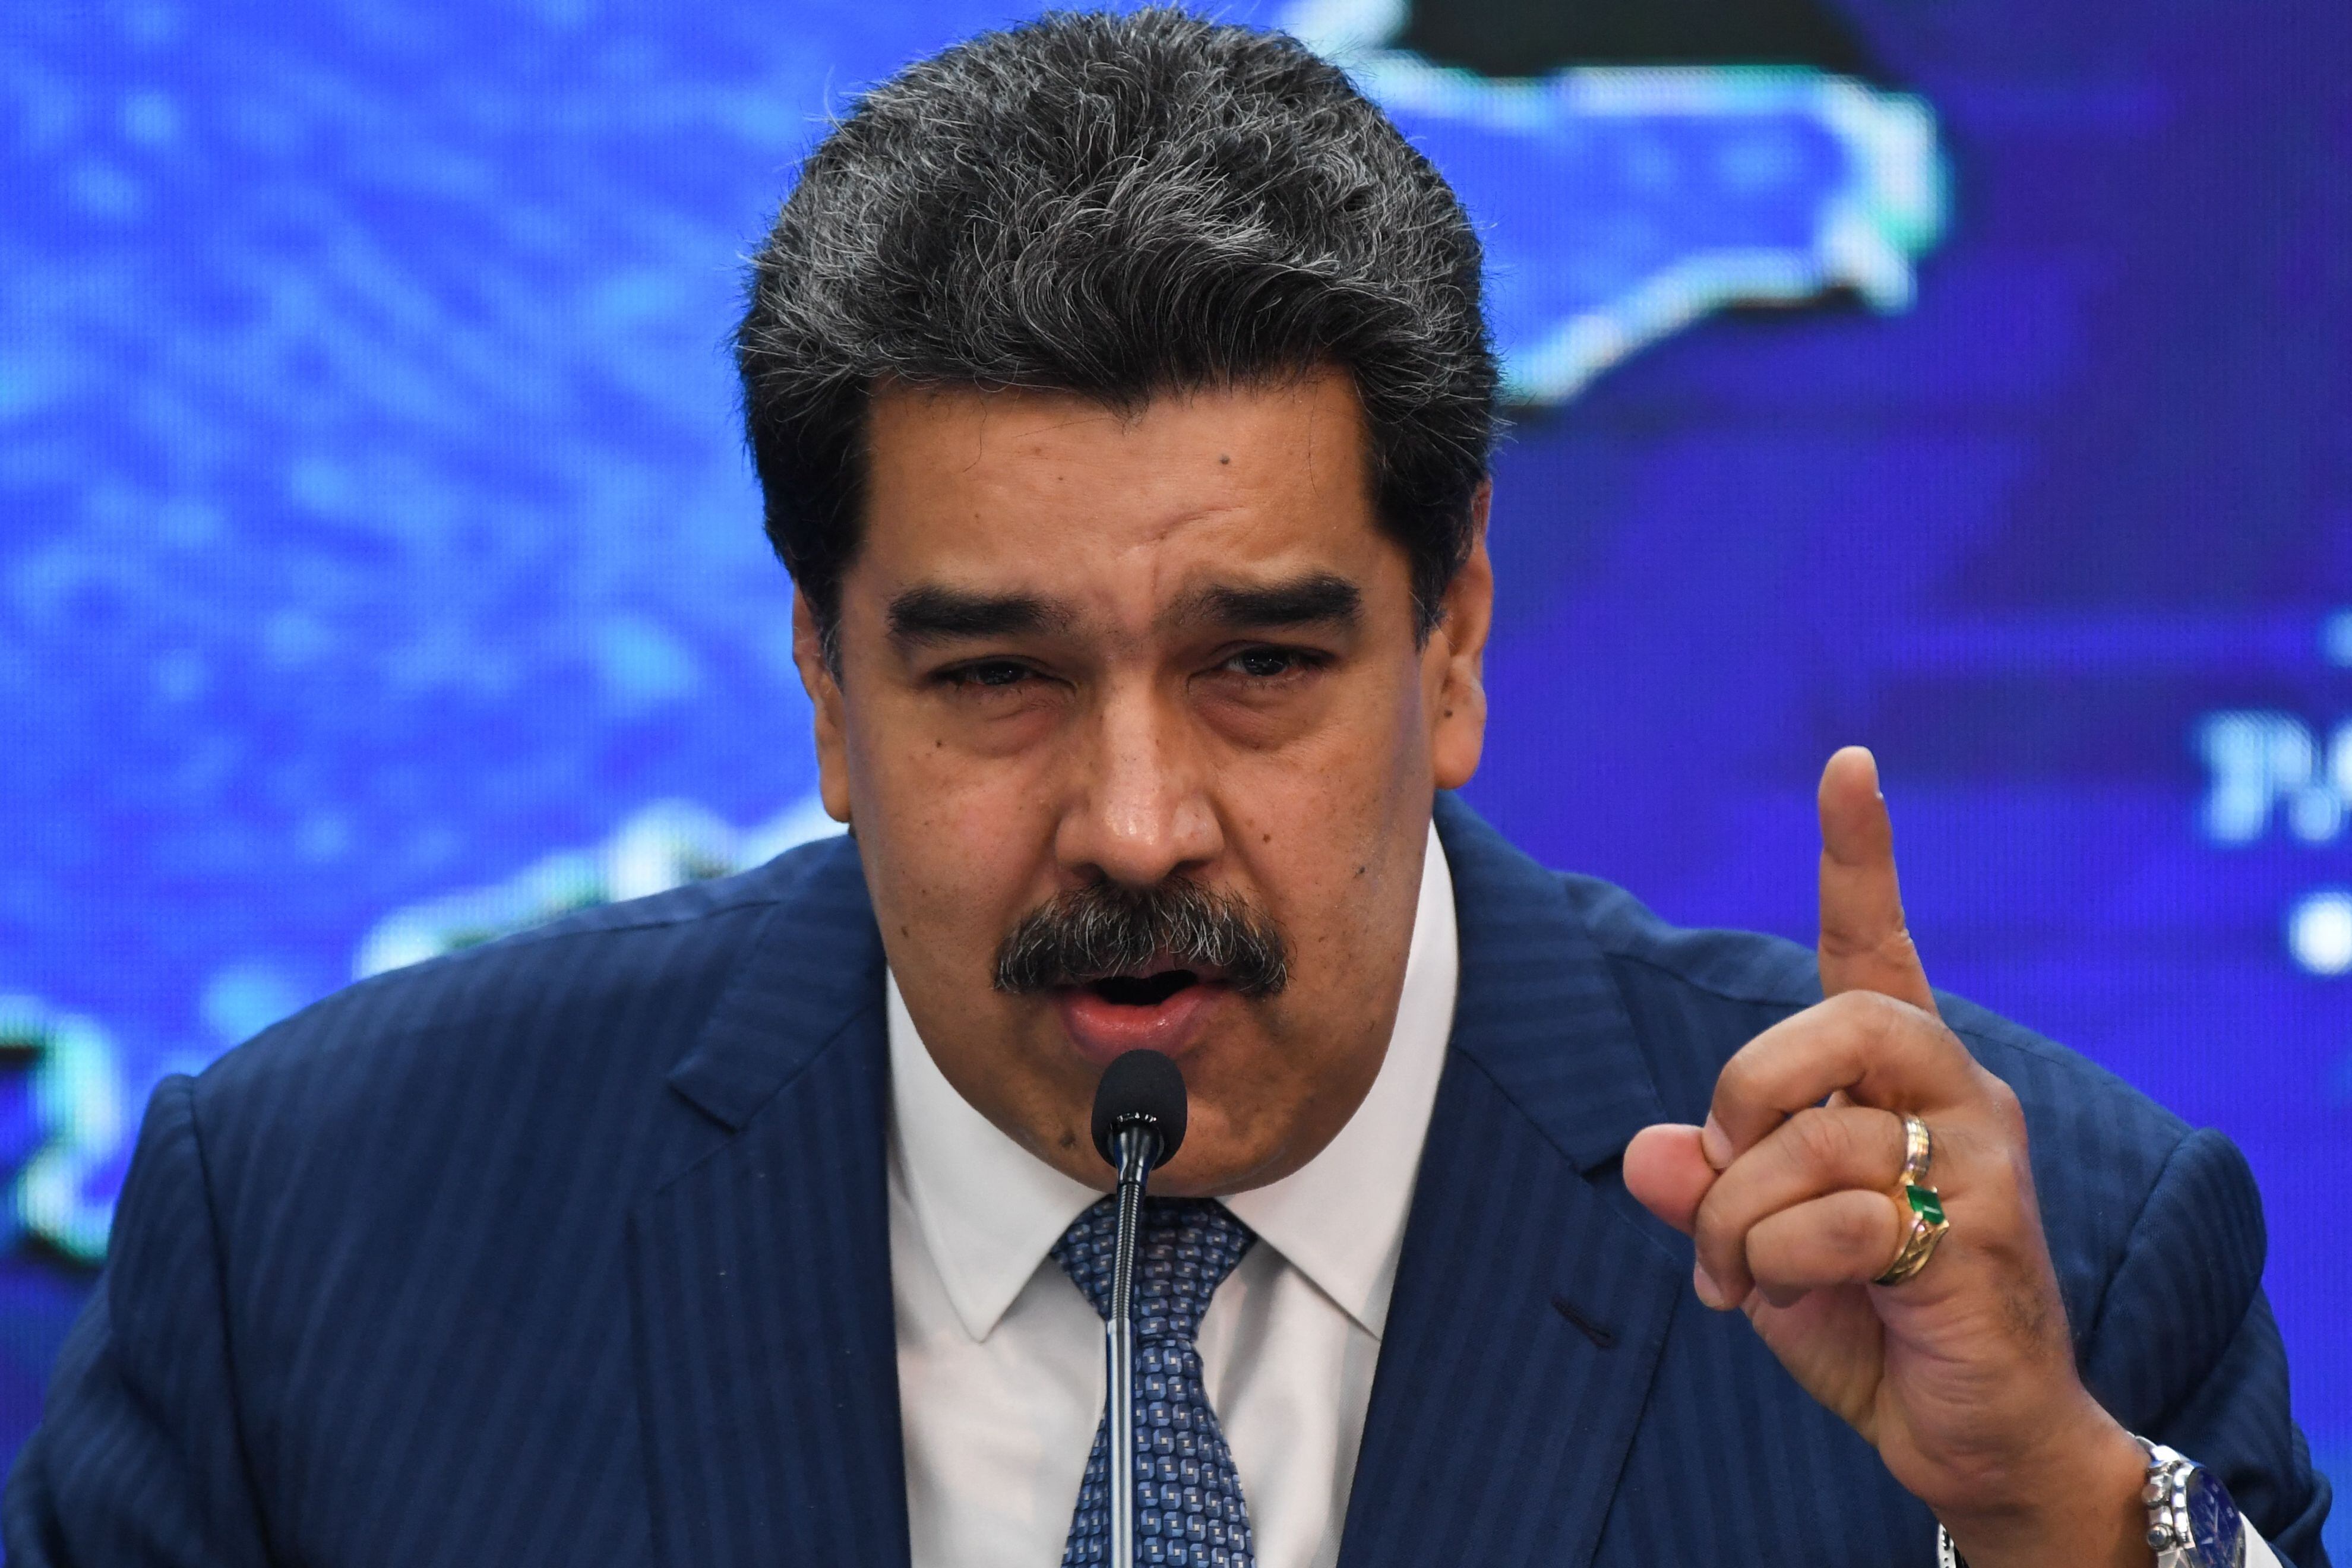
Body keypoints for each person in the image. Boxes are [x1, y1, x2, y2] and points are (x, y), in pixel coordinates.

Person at [5, 10, 2329, 1567]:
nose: (1133, 822)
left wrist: (2055, 1525)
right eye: (996, 676)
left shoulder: (2047, 1293)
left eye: (1259, 663)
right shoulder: (315, 1251)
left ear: (1453, 652)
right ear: (823, 687)